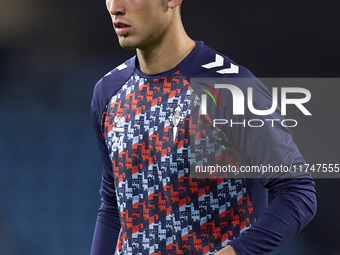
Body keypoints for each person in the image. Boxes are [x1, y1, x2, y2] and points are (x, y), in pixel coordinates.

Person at [90, 0, 317, 254]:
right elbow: (114, 206)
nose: (115, 7)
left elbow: (297, 193)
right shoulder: (108, 92)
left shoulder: (228, 87)